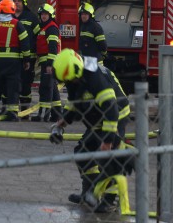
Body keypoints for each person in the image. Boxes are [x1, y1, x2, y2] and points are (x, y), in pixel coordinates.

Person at [50, 49, 131, 213]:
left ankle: (109, 202)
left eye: (70, 80)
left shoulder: (95, 78)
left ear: (77, 72)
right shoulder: (75, 76)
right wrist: (62, 122)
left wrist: (108, 140)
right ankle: (89, 193)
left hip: (115, 118)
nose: (69, 83)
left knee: (109, 161)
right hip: (96, 119)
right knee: (82, 153)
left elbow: (111, 110)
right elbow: (74, 103)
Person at [0, 0, 31, 122]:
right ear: (12, 9)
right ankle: (12, 113)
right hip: (13, 62)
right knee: (13, 87)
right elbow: (25, 44)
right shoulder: (16, 23)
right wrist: (26, 60)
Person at [11, 0, 40, 117]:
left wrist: (35, 50)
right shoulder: (8, 16)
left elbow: (38, 36)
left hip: (29, 57)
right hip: (12, 57)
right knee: (12, 82)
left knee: (26, 84)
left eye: (19, 1)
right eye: (15, 1)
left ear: (24, 3)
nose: (17, 3)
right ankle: (12, 109)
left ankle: (25, 111)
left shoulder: (31, 17)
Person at [31, 3, 62, 122]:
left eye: (46, 14)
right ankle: (56, 115)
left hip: (50, 62)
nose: (43, 16)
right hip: (46, 62)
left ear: (51, 15)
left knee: (46, 88)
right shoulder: (43, 27)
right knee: (53, 89)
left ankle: (44, 115)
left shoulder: (51, 28)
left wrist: (50, 64)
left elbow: (53, 47)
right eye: (42, 14)